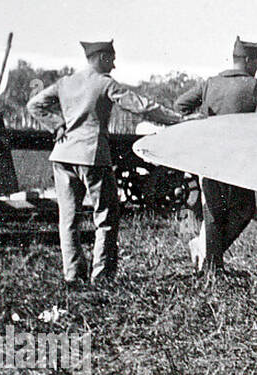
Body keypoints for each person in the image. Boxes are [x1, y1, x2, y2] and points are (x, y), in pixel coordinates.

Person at [26, 40, 181, 284]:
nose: (115, 64)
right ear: (100, 57)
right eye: (112, 58)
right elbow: (142, 107)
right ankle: (102, 278)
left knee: (68, 220)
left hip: (62, 156)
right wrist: (177, 120)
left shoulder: (65, 83)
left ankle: (73, 276)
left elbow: (34, 104)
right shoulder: (104, 83)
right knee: (106, 218)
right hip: (92, 157)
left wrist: (57, 125)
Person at [175, 38, 257, 273]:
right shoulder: (251, 85)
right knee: (244, 210)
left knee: (215, 213)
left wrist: (200, 121)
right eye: (256, 61)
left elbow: (180, 105)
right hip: (237, 162)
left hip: (209, 160)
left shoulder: (210, 83)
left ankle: (210, 260)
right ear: (248, 60)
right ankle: (210, 259)